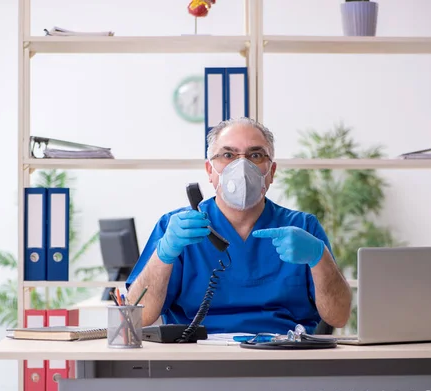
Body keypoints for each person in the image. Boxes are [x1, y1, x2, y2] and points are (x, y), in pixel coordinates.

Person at [125, 117, 352, 334]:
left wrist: (319, 258)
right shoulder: (178, 228)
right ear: (209, 171)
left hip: (283, 355)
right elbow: (138, 317)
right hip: (197, 357)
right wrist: (164, 254)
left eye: (255, 155)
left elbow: (338, 317)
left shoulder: (302, 227)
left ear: (271, 172)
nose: (241, 166)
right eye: (228, 154)